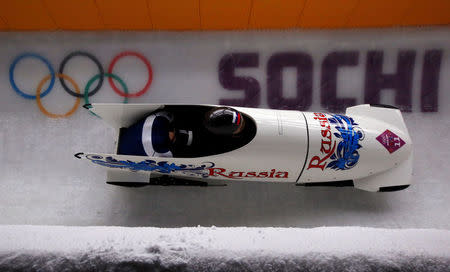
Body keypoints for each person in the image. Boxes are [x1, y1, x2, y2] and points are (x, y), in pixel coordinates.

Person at [118, 111, 193, 157]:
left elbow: (169, 115)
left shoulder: (162, 117)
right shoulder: (162, 150)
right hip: (122, 151)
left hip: (123, 135)